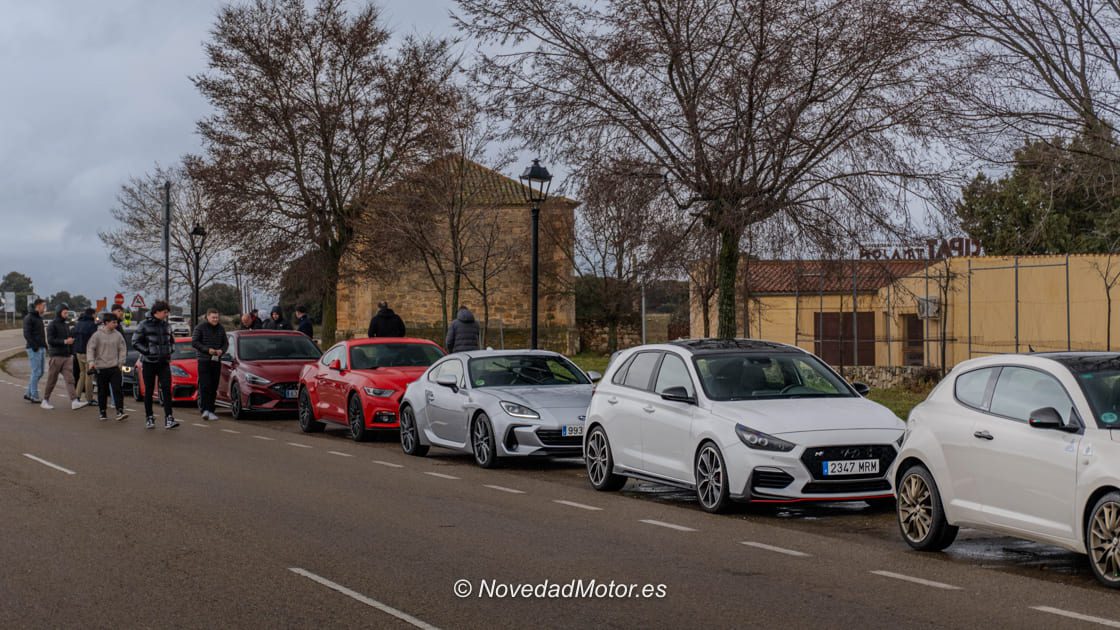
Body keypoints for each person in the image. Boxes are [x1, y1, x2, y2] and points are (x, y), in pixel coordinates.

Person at [133, 301, 179, 429]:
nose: (166, 314)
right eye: (165, 312)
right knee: (148, 390)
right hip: (149, 363)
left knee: (167, 389)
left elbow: (172, 341)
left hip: (164, 362)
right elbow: (135, 342)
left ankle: (169, 418)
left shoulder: (167, 326)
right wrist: (148, 352)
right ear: (157, 312)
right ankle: (149, 417)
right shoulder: (143, 325)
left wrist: (170, 350)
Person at [86, 313, 128, 422]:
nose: (116, 324)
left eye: (117, 322)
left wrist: (121, 362)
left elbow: (123, 348)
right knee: (102, 391)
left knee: (117, 389)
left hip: (115, 367)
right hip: (101, 367)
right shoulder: (97, 335)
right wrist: (91, 362)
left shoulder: (118, 335)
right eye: (113, 322)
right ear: (106, 323)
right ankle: (102, 411)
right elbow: (90, 348)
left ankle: (120, 411)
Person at [42, 304, 82, 410]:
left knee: (70, 379)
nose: (66, 314)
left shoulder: (65, 324)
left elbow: (69, 339)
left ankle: (74, 401)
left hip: (67, 357)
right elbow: (50, 340)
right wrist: (65, 341)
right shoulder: (52, 325)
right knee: (52, 380)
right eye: (65, 312)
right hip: (56, 357)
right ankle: (45, 400)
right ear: (59, 312)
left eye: (67, 313)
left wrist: (71, 350)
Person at [192, 308, 228, 422]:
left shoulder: (221, 328)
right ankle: (205, 410)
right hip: (204, 360)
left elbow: (225, 343)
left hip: (216, 360)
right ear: (207, 317)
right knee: (205, 385)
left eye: (217, 317)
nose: (215, 319)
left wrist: (222, 350)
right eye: (213, 317)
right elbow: (195, 342)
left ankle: (211, 410)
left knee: (213, 386)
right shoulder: (200, 327)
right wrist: (207, 350)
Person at [22, 298, 47, 404]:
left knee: (40, 372)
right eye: (43, 305)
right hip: (33, 349)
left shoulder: (39, 317)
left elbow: (41, 334)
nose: (45, 308)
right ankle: (34, 395)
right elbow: (27, 334)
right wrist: (34, 346)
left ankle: (28, 393)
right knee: (36, 372)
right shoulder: (29, 317)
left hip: (41, 348)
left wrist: (45, 346)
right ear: (38, 306)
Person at [71, 307, 98, 406]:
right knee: (89, 375)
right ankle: (89, 398)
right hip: (88, 353)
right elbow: (94, 340)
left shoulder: (78, 324)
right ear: (92, 314)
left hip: (78, 352)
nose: (96, 316)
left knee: (82, 374)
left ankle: (77, 396)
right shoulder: (92, 325)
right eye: (95, 314)